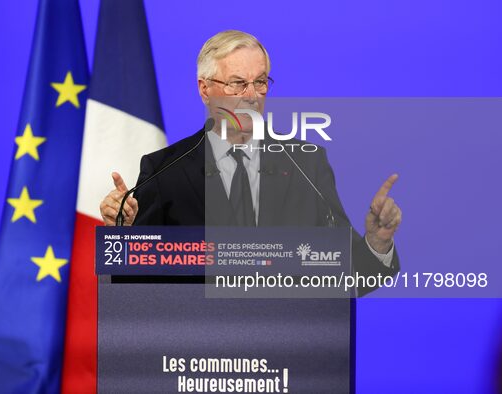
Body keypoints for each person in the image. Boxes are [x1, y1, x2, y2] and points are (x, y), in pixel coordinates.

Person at [99, 30, 402, 290]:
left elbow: (349, 275)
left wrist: (377, 243)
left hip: (287, 352)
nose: (252, 95)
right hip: (196, 353)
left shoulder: (306, 165)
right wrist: (125, 236)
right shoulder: (164, 171)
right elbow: (134, 283)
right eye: (237, 83)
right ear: (205, 89)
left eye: (260, 82)